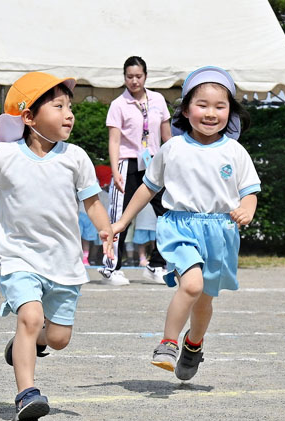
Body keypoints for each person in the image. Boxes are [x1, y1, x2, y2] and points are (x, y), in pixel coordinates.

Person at [0, 71, 114, 421]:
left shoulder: (75, 157)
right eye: (58, 106)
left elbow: (91, 201)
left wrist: (105, 230)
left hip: (64, 262)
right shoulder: (3, 156)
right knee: (29, 316)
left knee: (58, 338)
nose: (69, 114)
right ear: (29, 117)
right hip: (19, 256)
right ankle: (26, 393)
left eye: (70, 106)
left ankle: (26, 344)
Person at [111, 66, 259, 381]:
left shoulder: (235, 152)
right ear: (186, 109)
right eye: (202, 104)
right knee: (190, 285)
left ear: (230, 111)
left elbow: (250, 193)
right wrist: (122, 221)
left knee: (204, 300)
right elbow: (148, 188)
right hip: (180, 227)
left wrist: (247, 209)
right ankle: (168, 343)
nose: (211, 112)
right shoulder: (172, 149)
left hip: (220, 232)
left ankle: (193, 344)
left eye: (220, 106)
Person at [100, 56, 172, 286]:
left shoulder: (158, 100)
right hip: (127, 162)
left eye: (138, 76)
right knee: (121, 216)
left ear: (146, 76)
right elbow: (113, 140)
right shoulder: (118, 104)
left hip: (154, 163)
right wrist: (115, 169)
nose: (134, 81)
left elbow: (166, 135)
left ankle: (156, 264)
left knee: (168, 214)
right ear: (124, 78)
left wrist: (171, 163)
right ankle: (111, 267)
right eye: (129, 77)